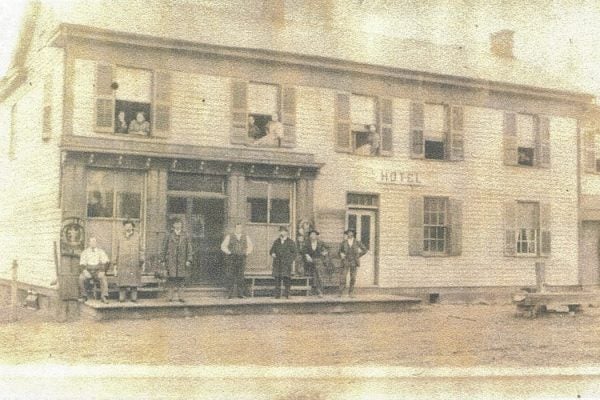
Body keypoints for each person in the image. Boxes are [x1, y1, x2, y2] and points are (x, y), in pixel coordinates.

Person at [161, 219, 193, 303]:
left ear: (181, 225)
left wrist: (189, 259)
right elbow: (164, 248)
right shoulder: (168, 235)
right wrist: (163, 259)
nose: (178, 225)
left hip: (182, 261)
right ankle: (170, 297)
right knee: (171, 279)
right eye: (176, 224)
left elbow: (189, 248)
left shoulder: (185, 235)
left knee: (181, 279)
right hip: (171, 260)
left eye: (179, 224)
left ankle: (181, 297)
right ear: (173, 225)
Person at [113, 220, 145, 302]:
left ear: (133, 227)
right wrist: (114, 263)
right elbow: (115, 249)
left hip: (134, 261)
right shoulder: (119, 236)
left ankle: (133, 297)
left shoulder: (137, 236)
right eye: (126, 226)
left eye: (130, 226)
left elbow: (141, 249)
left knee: (134, 280)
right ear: (124, 227)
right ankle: (122, 296)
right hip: (122, 262)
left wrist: (141, 259)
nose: (128, 228)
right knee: (122, 280)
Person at [220, 223, 253, 299]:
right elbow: (223, 246)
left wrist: (246, 253)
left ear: (241, 229)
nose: (239, 229)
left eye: (240, 228)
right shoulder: (229, 236)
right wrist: (229, 252)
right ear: (235, 228)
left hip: (241, 258)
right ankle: (229, 294)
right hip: (232, 258)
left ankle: (240, 294)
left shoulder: (246, 237)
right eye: (237, 228)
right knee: (230, 275)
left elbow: (250, 246)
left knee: (240, 276)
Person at [78, 236, 110, 303]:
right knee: (81, 278)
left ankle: (104, 296)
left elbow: (107, 262)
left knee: (103, 278)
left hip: (97, 271)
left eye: (94, 241)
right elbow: (81, 264)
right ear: (89, 243)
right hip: (88, 270)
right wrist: (84, 271)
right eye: (91, 241)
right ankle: (84, 296)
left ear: (96, 243)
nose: (93, 243)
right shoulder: (85, 252)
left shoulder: (100, 251)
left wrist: (103, 271)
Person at [270, 226, 297, 299]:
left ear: (286, 233)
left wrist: (289, 261)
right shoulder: (276, 241)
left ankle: (287, 294)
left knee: (287, 279)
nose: (281, 233)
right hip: (277, 263)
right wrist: (273, 253)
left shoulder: (290, 242)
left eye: (283, 231)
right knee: (277, 279)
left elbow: (294, 253)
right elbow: (271, 250)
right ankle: (277, 295)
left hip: (286, 264)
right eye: (280, 231)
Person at [339, 229, 367, 298]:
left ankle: (351, 293)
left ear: (353, 234)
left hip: (354, 262)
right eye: (348, 233)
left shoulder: (357, 242)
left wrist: (358, 256)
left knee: (353, 278)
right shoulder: (344, 242)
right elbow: (339, 251)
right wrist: (341, 254)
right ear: (347, 234)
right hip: (345, 261)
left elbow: (364, 250)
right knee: (343, 277)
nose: (349, 234)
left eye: (351, 233)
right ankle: (341, 292)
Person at [302, 229, 328, 297]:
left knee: (319, 275)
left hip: (318, 260)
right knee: (311, 275)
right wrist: (306, 255)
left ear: (317, 236)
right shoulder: (306, 243)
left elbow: (327, 249)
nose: (313, 236)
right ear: (309, 236)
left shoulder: (321, 243)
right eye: (311, 235)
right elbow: (303, 251)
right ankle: (311, 290)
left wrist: (325, 252)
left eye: (314, 235)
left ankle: (320, 291)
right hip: (309, 261)